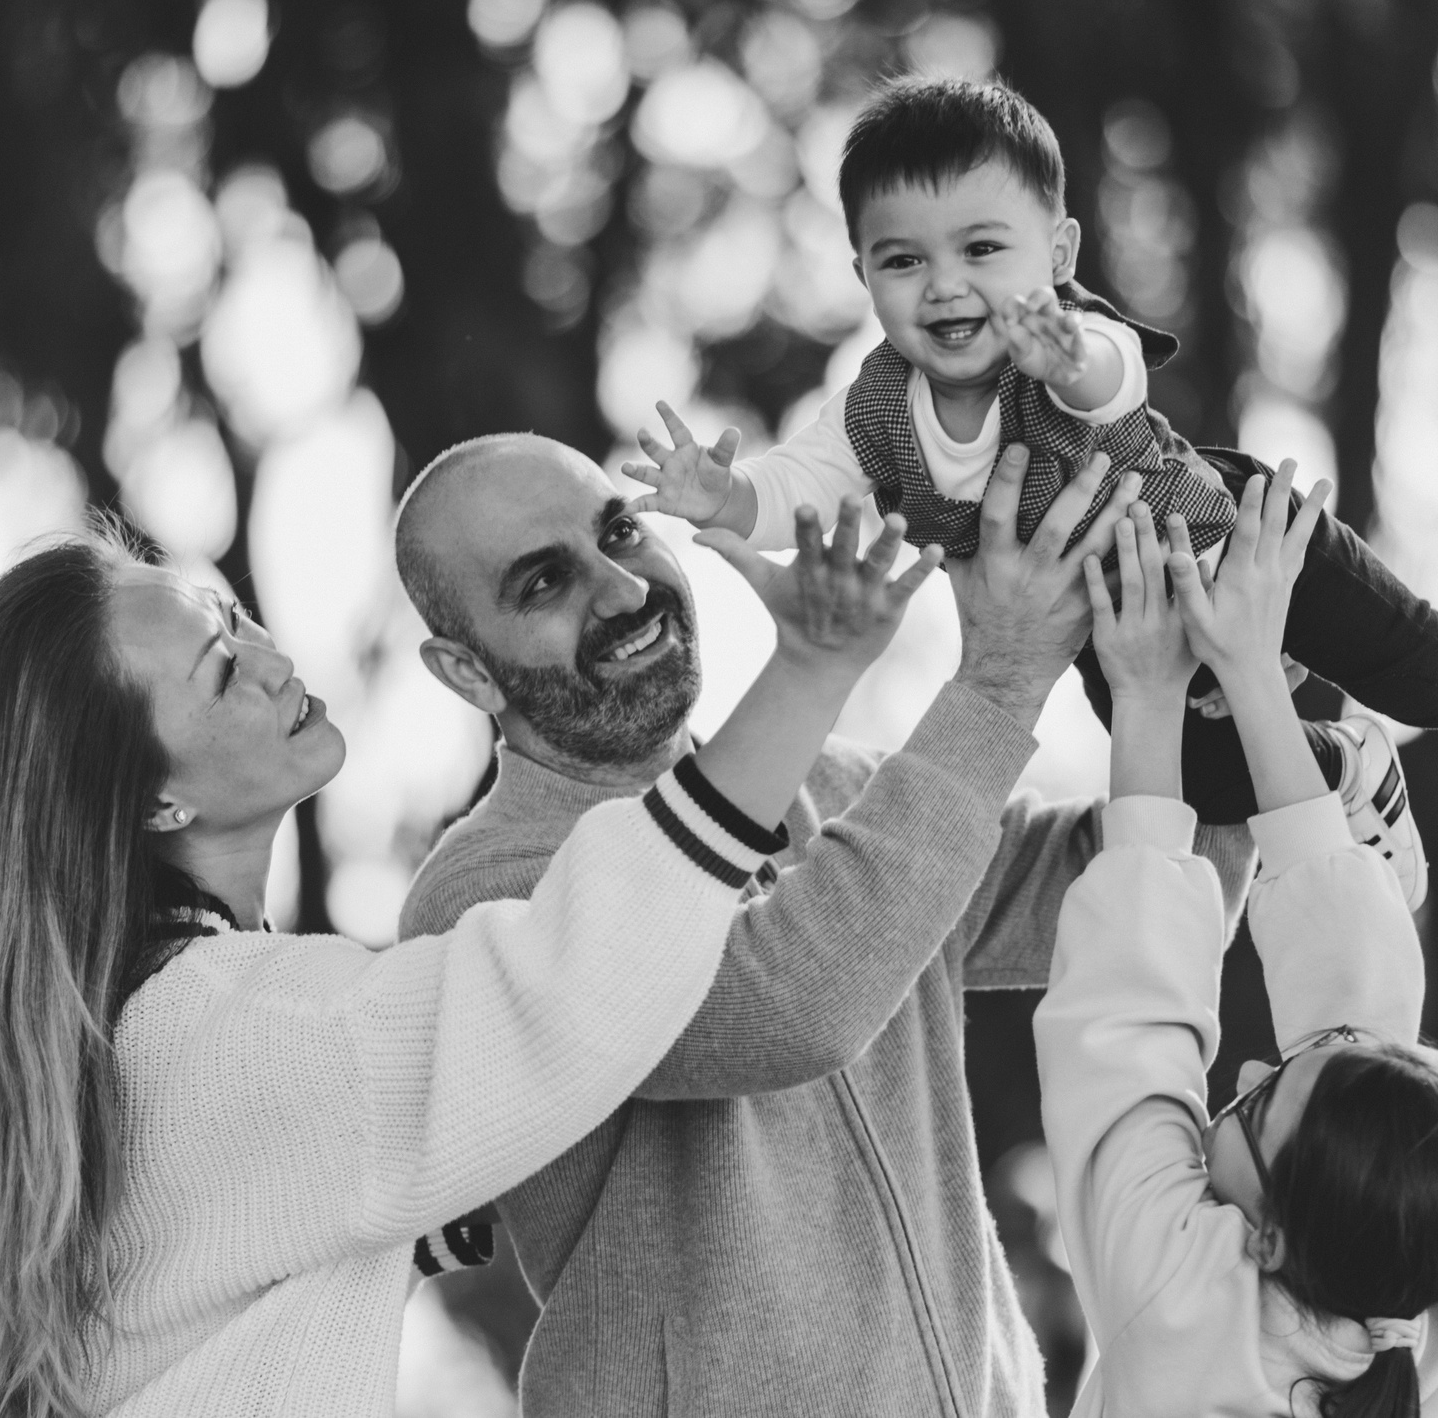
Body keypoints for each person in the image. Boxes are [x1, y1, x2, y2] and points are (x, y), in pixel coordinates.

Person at [0, 511, 937, 1418]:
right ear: (155, 801)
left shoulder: (143, 1044)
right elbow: (567, 989)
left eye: (231, 617)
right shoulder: (236, 1034)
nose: (271, 657)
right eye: (220, 671)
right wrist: (811, 668)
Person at [394, 434, 1244, 1418]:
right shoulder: (480, 899)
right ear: (466, 673)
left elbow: (1147, 902)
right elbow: (787, 1006)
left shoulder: (838, 786)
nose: (623, 591)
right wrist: (999, 684)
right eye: (543, 583)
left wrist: (1226, 680)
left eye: (620, 531)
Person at [624, 75, 1438, 905]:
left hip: (1237, 539)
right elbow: (801, 484)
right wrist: (723, 496)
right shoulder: (877, 407)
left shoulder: (1069, 334)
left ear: (1054, 257)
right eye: (903, 261)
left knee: (1409, 658)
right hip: (1124, 633)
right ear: (864, 274)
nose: (944, 286)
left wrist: (1062, 353)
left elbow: (1111, 378)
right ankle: (1343, 769)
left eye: (982, 250)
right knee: (1201, 789)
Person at [1035, 464, 1438, 1417]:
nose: (1250, 1066)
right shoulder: (1427, 1301)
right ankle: (1347, 771)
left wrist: (1145, 693)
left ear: (1267, 1243)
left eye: (1253, 1108)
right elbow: (1362, 1044)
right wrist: (1248, 671)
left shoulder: (1180, 1305)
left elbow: (1129, 1023)